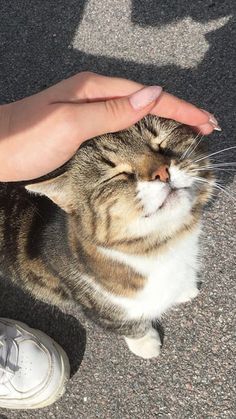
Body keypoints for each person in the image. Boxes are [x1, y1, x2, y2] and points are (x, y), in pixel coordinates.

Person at [0, 72, 220, 409]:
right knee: (123, 317)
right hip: (90, 268)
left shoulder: (159, 205)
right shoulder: (94, 272)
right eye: (117, 175)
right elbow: (107, 315)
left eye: (160, 144)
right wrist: (136, 331)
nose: (158, 170)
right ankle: (137, 332)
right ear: (73, 203)